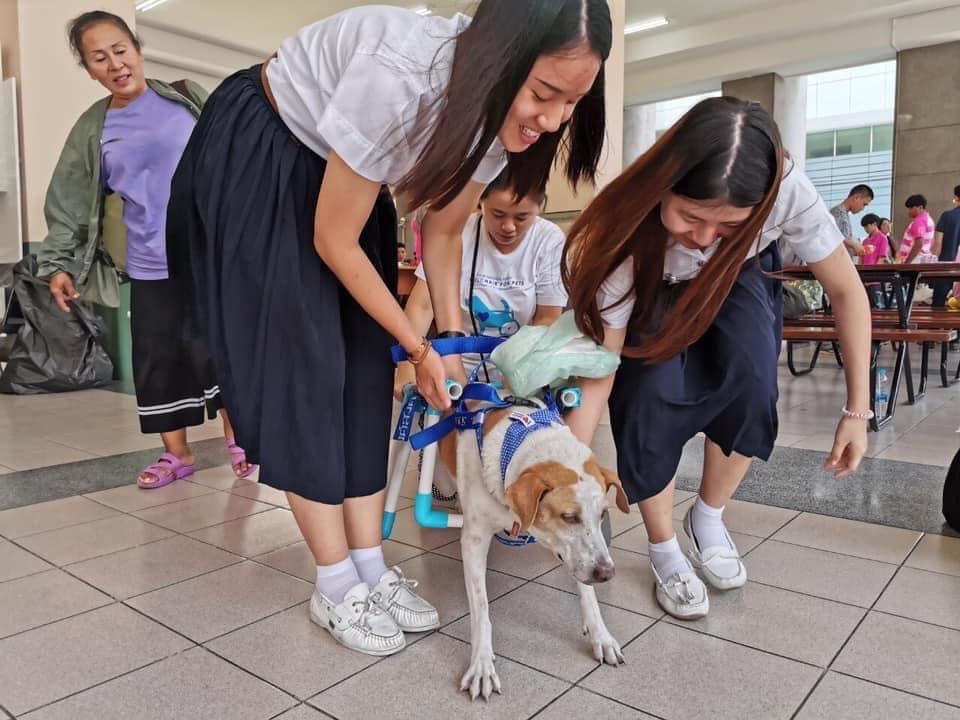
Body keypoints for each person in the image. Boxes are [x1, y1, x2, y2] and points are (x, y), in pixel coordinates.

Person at [166, 1, 611, 656]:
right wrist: (416, 343)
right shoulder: (402, 74)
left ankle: (369, 564)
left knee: (363, 377)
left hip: (339, 176)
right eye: (544, 93)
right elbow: (331, 237)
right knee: (308, 374)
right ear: (500, 56)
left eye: (570, 104)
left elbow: (448, 228)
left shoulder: (499, 120)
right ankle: (334, 580)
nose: (551, 121)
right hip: (266, 152)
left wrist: (452, 346)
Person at [562, 97, 871, 620]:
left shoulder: (786, 191)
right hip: (651, 278)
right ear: (665, 184)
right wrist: (564, 460)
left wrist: (857, 412)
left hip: (739, 273)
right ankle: (664, 550)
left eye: (727, 223)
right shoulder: (622, 231)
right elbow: (602, 369)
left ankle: (708, 518)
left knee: (752, 377)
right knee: (649, 395)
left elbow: (847, 291)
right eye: (690, 216)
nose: (703, 237)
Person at [38, 11, 254, 489]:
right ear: (89, 69)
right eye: (99, 58)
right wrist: (57, 263)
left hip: (209, 256)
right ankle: (176, 455)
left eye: (120, 49)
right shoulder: (94, 128)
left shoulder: (185, 98)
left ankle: (241, 440)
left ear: (136, 49)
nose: (114, 63)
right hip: (150, 262)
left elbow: (235, 157)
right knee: (156, 358)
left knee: (222, 349)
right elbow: (69, 200)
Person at [393, 169, 567, 500]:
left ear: (541, 207)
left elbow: (547, 318)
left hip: (518, 361)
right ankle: (441, 463)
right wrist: (405, 368)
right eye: (498, 214)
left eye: (522, 217)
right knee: (446, 484)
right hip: (457, 360)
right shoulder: (458, 233)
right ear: (480, 203)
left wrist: (515, 373)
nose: (509, 227)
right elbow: (421, 305)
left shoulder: (549, 240)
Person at [932, 185, 960, 307]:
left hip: (946, 267)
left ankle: (936, 326)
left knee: (938, 305)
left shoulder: (947, 216)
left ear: (956, 197)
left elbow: (937, 245)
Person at [830, 184, 874, 257]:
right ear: (856, 198)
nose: (863, 208)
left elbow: (841, 241)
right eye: (864, 204)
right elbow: (831, 236)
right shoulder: (837, 212)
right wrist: (853, 245)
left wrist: (855, 249)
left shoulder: (844, 214)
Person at [861, 213, 889, 307]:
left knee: (876, 306)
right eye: (864, 227)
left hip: (875, 279)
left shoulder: (882, 238)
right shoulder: (865, 241)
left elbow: (881, 258)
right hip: (865, 278)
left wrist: (873, 275)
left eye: (867, 226)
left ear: (874, 224)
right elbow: (861, 258)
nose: (865, 229)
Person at [899, 194, 936, 263]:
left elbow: (919, 243)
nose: (909, 211)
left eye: (911, 208)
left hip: (915, 261)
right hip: (922, 258)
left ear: (920, 207)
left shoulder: (919, 221)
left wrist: (907, 263)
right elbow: (932, 241)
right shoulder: (928, 219)